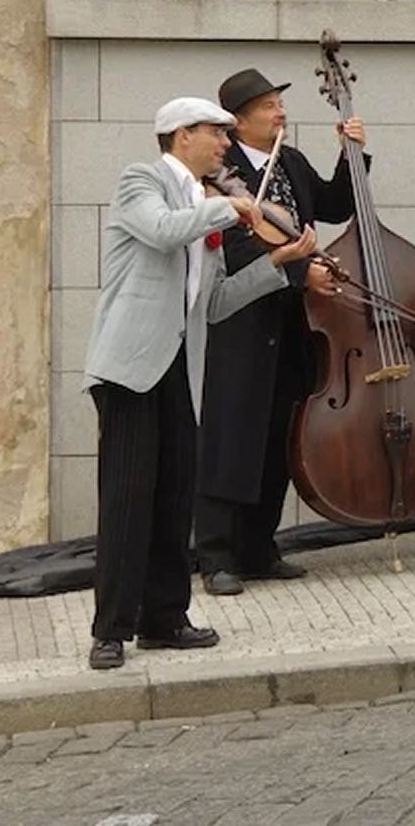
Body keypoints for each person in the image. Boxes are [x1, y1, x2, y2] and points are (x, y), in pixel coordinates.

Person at [83, 98, 317, 670]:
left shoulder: (204, 207)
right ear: (181, 135)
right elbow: (161, 233)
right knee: (127, 499)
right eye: (216, 133)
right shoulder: (142, 181)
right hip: (132, 368)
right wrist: (230, 207)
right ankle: (111, 629)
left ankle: (165, 619)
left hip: (182, 368)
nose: (224, 144)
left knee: (173, 499)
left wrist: (279, 261)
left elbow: (215, 304)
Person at [196, 69, 367, 597]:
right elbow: (231, 249)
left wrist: (353, 157)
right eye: (269, 106)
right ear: (239, 120)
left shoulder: (288, 163)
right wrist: (297, 270)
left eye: (279, 104)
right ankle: (217, 554)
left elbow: (336, 205)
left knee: (280, 434)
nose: (281, 113)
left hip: (295, 323)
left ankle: (259, 546)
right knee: (232, 438)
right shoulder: (218, 175)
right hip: (243, 323)